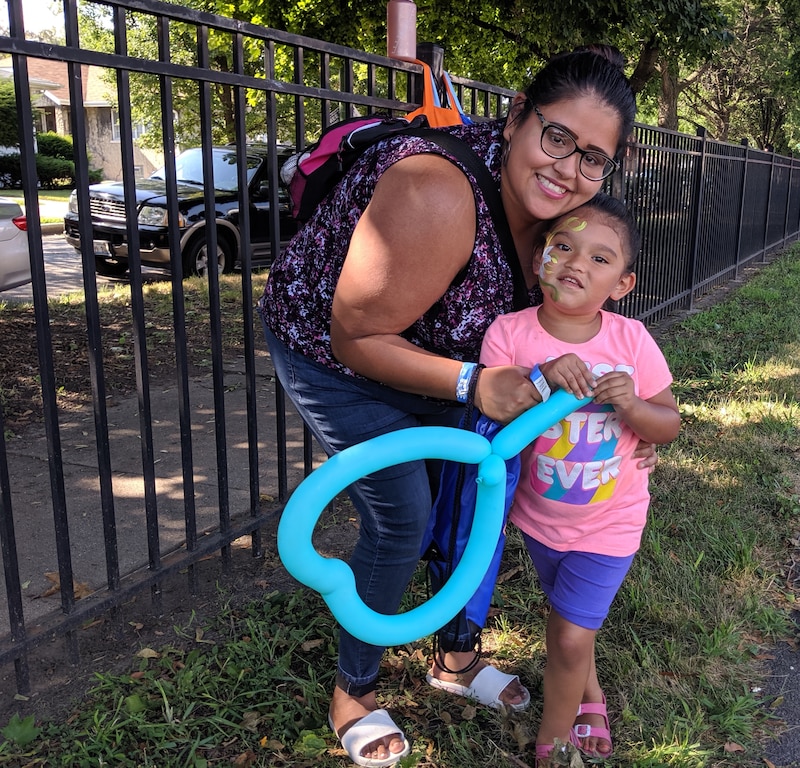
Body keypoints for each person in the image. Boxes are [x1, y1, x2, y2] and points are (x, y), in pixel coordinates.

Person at [259, 45, 650, 767]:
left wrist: (630, 417)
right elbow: (357, 335)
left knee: (470, 495)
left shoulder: (571, 215)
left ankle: (455, 659)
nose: (567, 168)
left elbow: (584, 326)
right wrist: (472, 384)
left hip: (445, 352)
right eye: (555, 136)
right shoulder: (433, 192)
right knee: (404, 512)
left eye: (592, 156)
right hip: (335, 349)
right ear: (514, 120)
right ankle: (355, 690)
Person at [480, 193, 681, 765]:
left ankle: (554, 742)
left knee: (568, 636)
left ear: (622, 283)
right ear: (539, 257)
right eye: (563, 246)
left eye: (600, 258)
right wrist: (537, 378)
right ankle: (588, 692)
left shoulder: (630, 341)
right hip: (539, 520)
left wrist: (634, 409)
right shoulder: (509, 335)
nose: (576, 262)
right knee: (566, 617)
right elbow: (493, 420)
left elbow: (668, 425)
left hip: (611, 521)